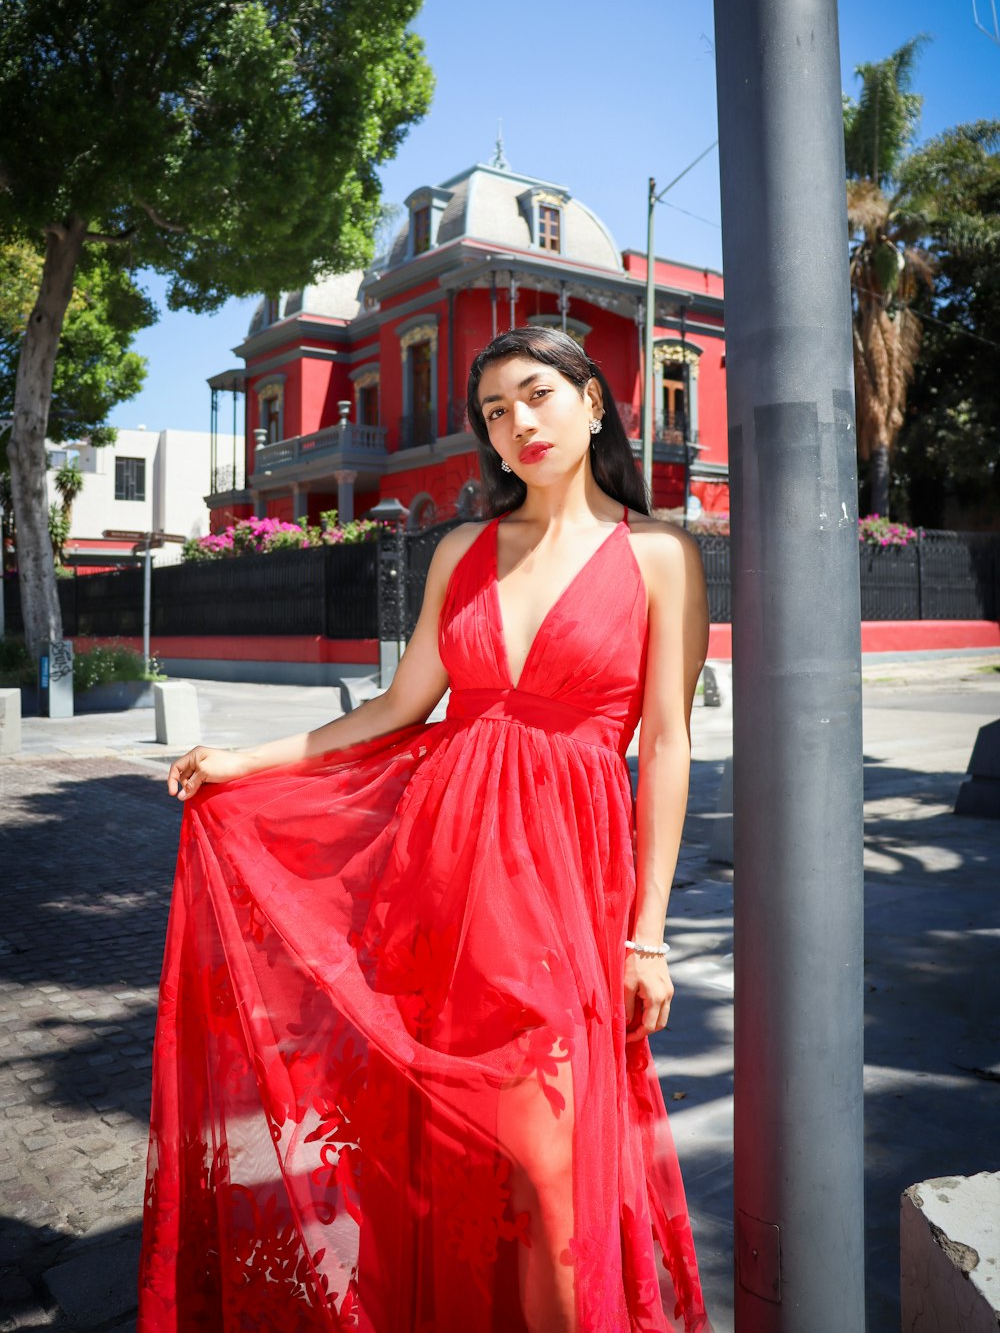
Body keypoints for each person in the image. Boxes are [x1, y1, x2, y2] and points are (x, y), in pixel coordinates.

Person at [137, 326, 714, 1333]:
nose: (517, 424)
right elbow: (400, 707)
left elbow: (665, 746)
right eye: (493, 413)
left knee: (553, 1178)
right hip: (438, 875)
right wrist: (246, 760)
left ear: (592, 400)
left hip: (563, 891)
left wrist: (646, 935)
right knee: (452, 1154)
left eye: (535, 396)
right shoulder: (462, 548)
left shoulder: (659, 555)